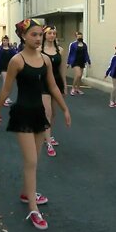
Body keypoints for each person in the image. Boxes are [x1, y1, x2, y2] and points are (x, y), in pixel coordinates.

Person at [0, 19, 71, 230]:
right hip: (22, 114)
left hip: (39, 114)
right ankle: (33, 208)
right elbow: (6, 90)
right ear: (23, 36)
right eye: (33, 35)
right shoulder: (17, 60)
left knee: (35, 159)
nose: (38, 38)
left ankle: (27, 192)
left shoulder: (45, 60)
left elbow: (53, 87)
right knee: (31, 161)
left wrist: (64, 108)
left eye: (39, 35)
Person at [40, 25, 67, 156]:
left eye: (54, 33)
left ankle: (47, 135)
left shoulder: (60, 50)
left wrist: (65, 85)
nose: (52, 35)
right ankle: (48, 142)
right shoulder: (39, 50)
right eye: (49, 33)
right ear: (44, 34)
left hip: (56, 83)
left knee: (54, 112)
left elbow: (62, 69)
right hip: (43, 83)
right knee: (47, 112)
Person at [67, 31, 91, 95]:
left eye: (81, 36)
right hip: (75, 61)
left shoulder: (84, 45)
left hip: (82, 61)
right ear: (76, 37)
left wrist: (88, 61)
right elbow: (70, 53)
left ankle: (78, 89)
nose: (80, 37)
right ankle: (73, 88)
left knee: (80, 76)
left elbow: (86, 53)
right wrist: (68, 62)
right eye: (78, 36)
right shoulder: (73, 44)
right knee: (78, 75)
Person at [0, 35, 17, 106]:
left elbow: (16, 56)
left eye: (6, 40)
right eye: (3, 40)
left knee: (10, 83)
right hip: (3, 68)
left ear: (8, 41)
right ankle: (3, 99)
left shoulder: (11, 49)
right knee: (5, 82)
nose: (5, 42)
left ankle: (7, 97)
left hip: (10, 68)